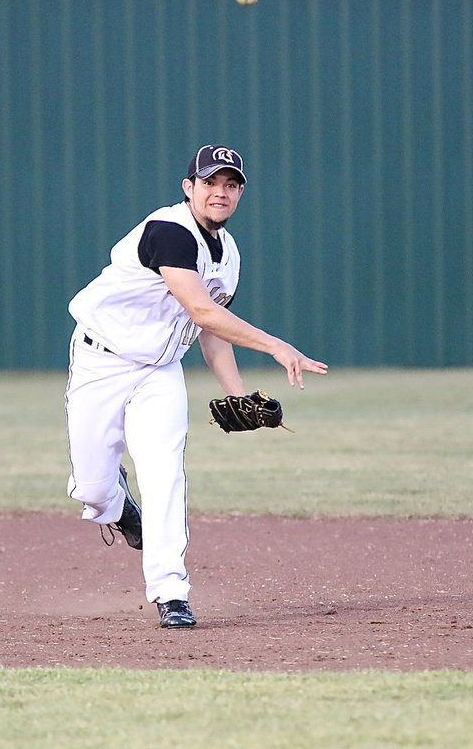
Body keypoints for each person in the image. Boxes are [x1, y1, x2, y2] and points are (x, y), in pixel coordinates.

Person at [64, 144, 327, 629]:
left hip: (159, 372)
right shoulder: (170, 232)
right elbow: (204, 311)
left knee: (165, 475)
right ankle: (117, 504)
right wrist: (276, 347)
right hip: (100, 362)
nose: (220, 192)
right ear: (189, 188)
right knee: (92, 488)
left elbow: (210, 331)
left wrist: (237, 393)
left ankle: (171, 593)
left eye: (231, 185)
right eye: (210, 183)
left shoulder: (228, 255)